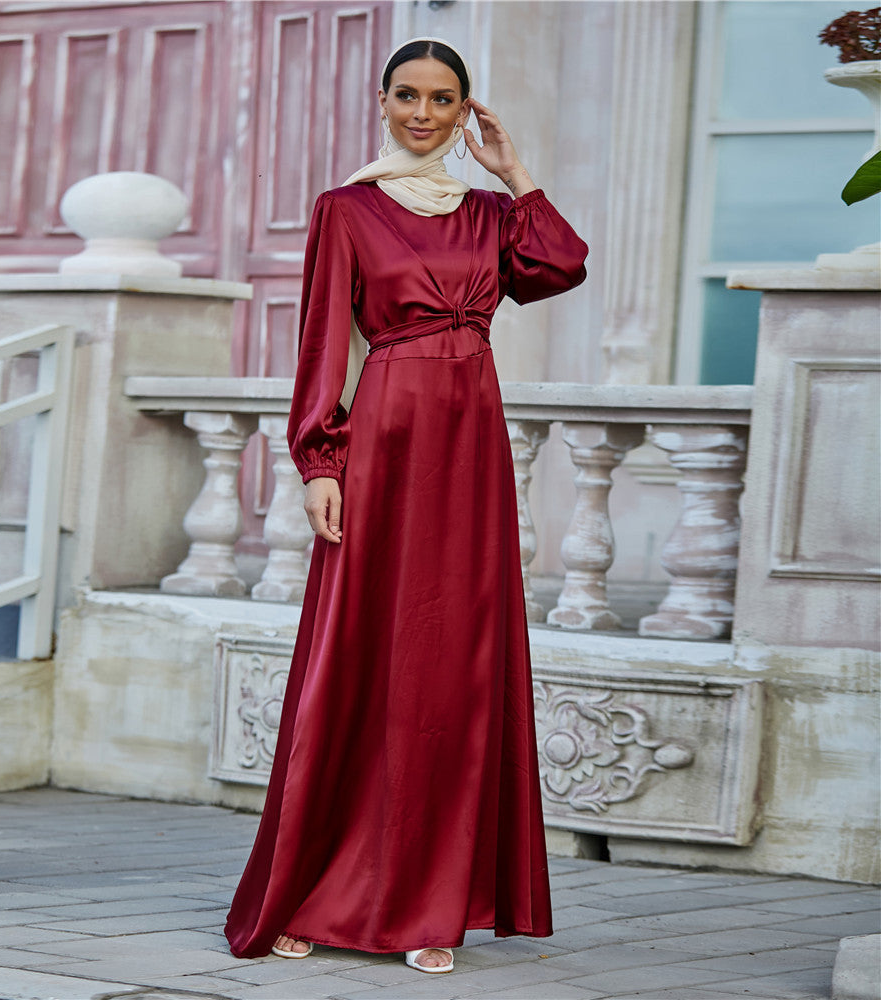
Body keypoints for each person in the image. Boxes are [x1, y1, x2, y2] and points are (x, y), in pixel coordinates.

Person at [225, 36, 588, 974]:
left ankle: (433, 904)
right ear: (382, 100)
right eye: (408, 96)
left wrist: (516, 173)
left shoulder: (487, 215)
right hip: (381, 444)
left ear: (465, 110)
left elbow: (559, 268)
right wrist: (318, 461)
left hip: (469, 450)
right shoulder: (345, 209)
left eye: (442, 99)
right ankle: (314, 890)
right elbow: (319, 342)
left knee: (450, 668)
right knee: (357, 658)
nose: (423, 114)